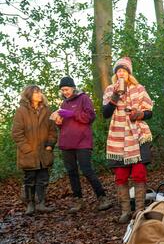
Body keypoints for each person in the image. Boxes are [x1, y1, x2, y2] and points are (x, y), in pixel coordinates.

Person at [102, 57, 154, 223]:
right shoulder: (110, 89)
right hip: (118, 135)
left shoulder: (139, 89)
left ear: (129, 73)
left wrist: (140, 114)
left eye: (123, 70)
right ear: (115, 74)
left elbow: (149, 112)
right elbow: (105, 113)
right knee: (121, 175)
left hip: (138, 133)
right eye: (118, 70)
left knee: (139, 173)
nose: (121, 72)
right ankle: (125, 211)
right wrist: (116, 96)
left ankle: (139, 210)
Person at [51, 76, 112, 213]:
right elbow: (65, 125)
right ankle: (78, 200)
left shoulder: (84, 98)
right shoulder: (63, 103)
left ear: (73, 87)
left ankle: (102, 197)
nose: (64, 92)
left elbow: (90, 117)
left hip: (82, 142)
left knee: (86, 170)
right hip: (67, 142)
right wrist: (59, 122)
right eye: (62, 90)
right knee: (72, 172)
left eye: (66, 89)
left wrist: (72, 114)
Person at [12, 85, 57, 215]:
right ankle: (30, 205)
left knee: (43, 178)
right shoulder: (21, 111)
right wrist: (27, 149)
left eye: (40, 92)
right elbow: (16, 133)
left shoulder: (47, 110)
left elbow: (52, 131)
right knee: (29, 180)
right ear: (29, 95)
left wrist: (50, 144)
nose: (39, 94)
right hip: (28, 153)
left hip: (44, 152)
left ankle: (41, 204)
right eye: (36, 93)